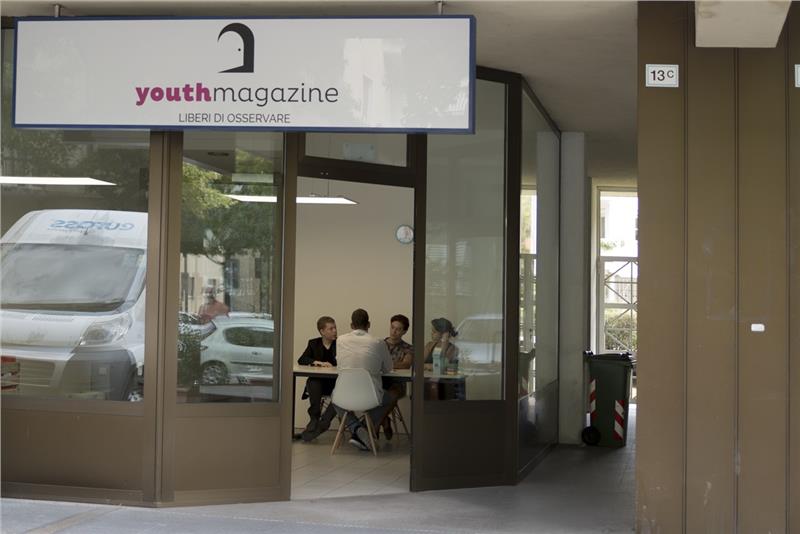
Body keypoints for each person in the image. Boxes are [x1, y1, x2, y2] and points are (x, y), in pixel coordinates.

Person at [332, 308, 393, 451]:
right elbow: (388, 368)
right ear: (369, 324)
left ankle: (356, 428)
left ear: (351, 325)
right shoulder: (378, 342)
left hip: (344, 395)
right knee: (390, 398)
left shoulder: (340, 340)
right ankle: (363, 429)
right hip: (371, 397)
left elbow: (340, 364)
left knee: (335, 400)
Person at [294, 316, 338, 442]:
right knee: (313, 382)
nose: (335, 331)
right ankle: (314, 417)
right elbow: (302, 359)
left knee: (339, 393)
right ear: (322, 331)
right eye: (331, 328)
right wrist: (317, 362)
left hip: (335, 384)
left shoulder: (341, 344)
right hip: (319, 384)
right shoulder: (313, 343)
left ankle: (320, 423)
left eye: (335, 328)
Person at [379, 314, 413, 440]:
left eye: (398, 329)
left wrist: (384, 364)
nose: (394, 331)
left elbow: (406, 364)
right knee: (375, 393)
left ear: (404, 331)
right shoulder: (379, 344)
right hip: (379, 383)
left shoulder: (408, 348)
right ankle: (384, 420)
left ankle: (374, 426)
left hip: (397, 384)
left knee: (391, 395)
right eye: (392, 327)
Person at [423, 317, 460, 400]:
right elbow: (418, 365)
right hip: (428, 379)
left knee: (433, 386)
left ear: (443, 333)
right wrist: (430, 366)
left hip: (445, 382)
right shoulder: (429, 345)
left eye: (434, 332)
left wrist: (444, 342)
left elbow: (441, 366)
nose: (431, 333)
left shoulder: (453, 349)